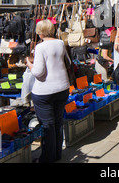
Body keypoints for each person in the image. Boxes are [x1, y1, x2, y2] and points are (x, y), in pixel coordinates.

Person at [25, 19, 70, 163]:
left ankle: (46, 158)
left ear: (40, 32)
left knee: (48, 126)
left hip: (45, 91)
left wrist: (29, 64)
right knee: (57, 123)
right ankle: (56, 154)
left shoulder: (41, 47)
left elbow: (38, 72)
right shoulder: (60, 43)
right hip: (62, 87)